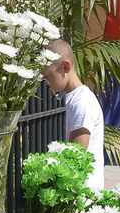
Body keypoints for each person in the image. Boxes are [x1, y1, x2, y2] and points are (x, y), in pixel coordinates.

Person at [42, 38, 105, 191]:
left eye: (47, 77)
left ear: (65, 66)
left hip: (83, 193)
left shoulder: (81, 102)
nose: (46, 83)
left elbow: (76, 153)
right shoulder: (68, 98)